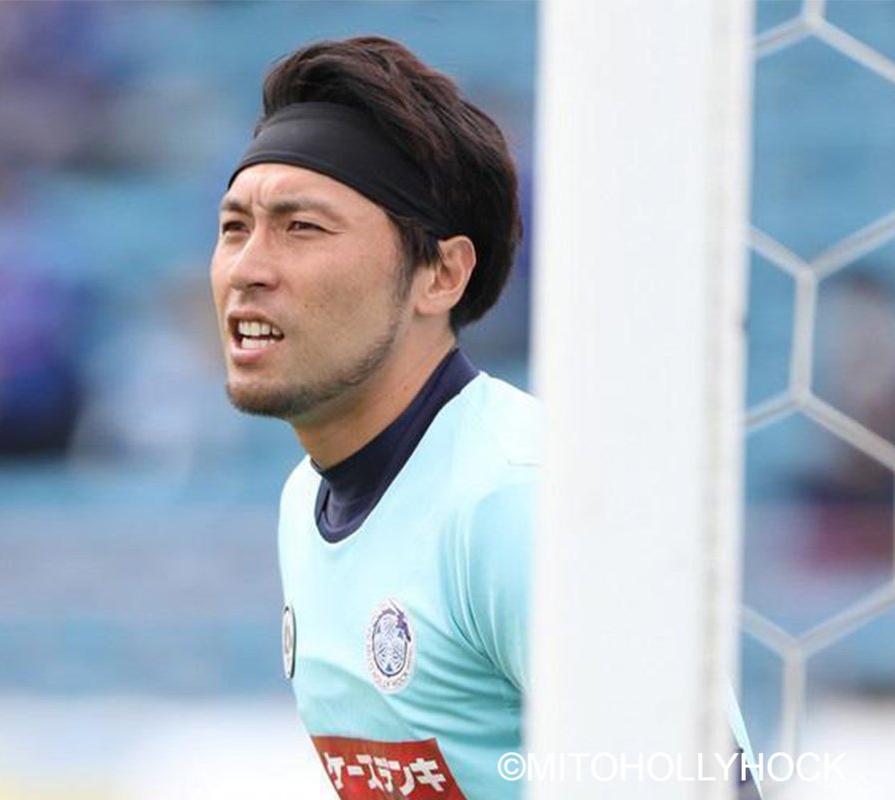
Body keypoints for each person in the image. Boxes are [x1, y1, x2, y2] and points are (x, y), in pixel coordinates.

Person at [210, 36, 758, 799]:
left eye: (302, 227)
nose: (247, 268)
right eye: (235, 227)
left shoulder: (521, 503)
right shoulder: (305, 498)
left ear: (441, 274)